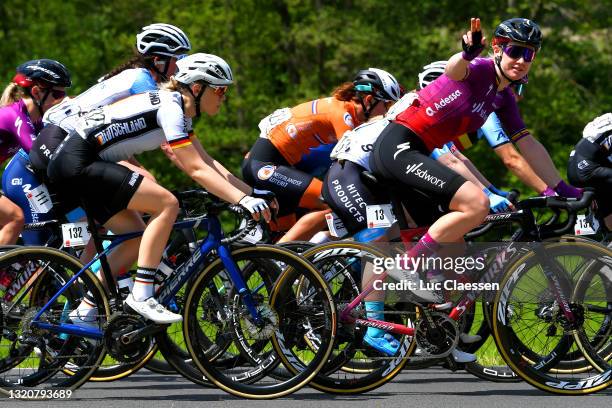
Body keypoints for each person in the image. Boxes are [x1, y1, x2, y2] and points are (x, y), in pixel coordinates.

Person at [341, 17, 542, 358]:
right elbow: (450, 158)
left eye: (529, 56)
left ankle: (439, 336)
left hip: (401, 163)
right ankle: (372, 322)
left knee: (452, 247)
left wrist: (491, 190)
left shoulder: (486, 101)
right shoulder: (458, 94)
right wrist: (487, 194)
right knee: (382, 241)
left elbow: (461, 161)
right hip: (357, 172)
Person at [41, 53, 271, 325]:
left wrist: (250, 194)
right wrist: (242, 200)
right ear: (197, 88)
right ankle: (142, 294)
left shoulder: (181, 113)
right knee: (167, 204)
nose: (224, 97)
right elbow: (194, 169)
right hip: (78, 161)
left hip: (79, 162)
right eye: (220, 90)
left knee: (134, 236)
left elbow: (208, 162)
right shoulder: (171, 108)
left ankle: (86, 310)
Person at [242, 68, 402, 242]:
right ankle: (280, 258)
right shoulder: (343, 114)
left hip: (272, 165)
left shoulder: (347, 111)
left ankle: (279, 263)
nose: (388, 112)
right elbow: (350, 161)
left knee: (284, 239)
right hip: (266, 166)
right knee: (333, 203)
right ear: (369, 100)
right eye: (387, 105)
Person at [418, 60, 582, 200]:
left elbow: (459, 157)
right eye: (516, 88)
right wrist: (547, 192)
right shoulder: (485, 110)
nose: (519, 96)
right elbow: (511, 159)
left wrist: (491, 190)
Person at [0, 59, 71, 291]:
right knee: (15, 218)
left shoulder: (33, 120)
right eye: (58, 94)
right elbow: (38, 152)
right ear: (38, 92)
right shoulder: (15, 116)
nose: (61, 100)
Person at [568, 113, 612, 231]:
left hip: (576, 164)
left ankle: (606, 236)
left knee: (608, 209)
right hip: (587, 168)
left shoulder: (608, 119)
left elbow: (587, 131)